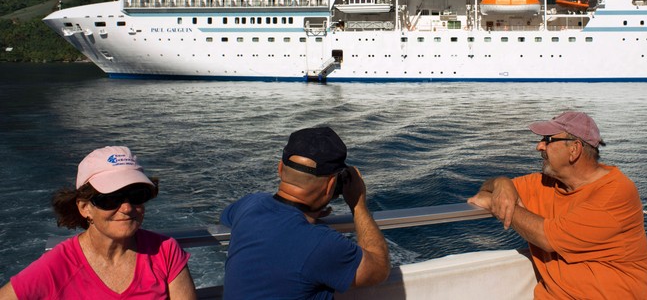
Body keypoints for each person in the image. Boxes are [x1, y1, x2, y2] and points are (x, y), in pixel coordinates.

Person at [468, 111, 647, 299]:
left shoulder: (616, 192)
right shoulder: (544, 183)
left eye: (548, 140)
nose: (539, 146)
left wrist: (497, 203)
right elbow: (487, 190)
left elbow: (547, 238)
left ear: (574, 149)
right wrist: (501, 183)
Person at [0, 146, 196, 300]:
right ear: (85, 208)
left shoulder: (165, 252)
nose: (127, 208)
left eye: (137, 196)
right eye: (110, 199)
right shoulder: (59, 265)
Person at [220, 126, 390, 299]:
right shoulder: (321, 243)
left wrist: (309, 213)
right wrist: (358, 204)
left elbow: (229, 218)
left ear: (280, 169)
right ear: (331, 185)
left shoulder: (248, 205)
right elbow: (379, 269)